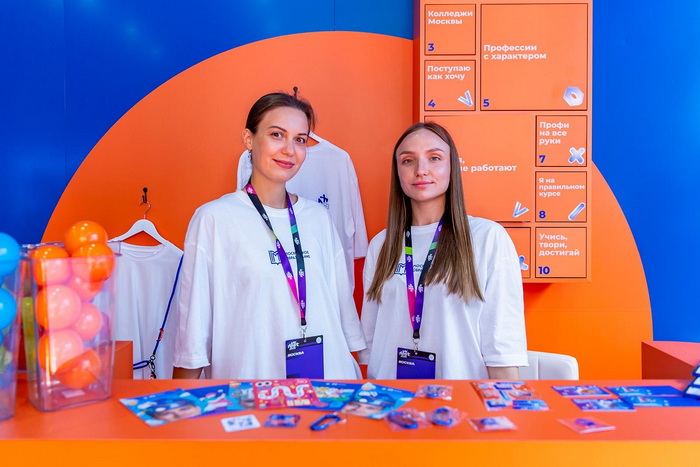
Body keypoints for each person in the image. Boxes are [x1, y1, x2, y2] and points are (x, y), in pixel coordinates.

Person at [172, 92, 366, 380]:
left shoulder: (318, 218)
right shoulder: (214, 219)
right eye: (277, 135)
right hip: (250, 387)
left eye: (300, 140)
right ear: (249, 139)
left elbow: (342, 313)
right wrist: (181, 399)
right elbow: (193, 331)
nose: (289, 150)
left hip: (327, 385)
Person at [359, 122, 527, 380]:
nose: (421, 170)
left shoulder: (487, 238)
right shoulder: (381, 245)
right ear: (398, 172)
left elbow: (502, 349)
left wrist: (503, 403)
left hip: (460, 398)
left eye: (434, 158)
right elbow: (372, 344)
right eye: (408, 160)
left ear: (452, 167)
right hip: (391, 398)